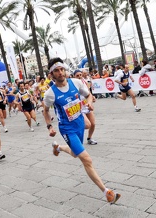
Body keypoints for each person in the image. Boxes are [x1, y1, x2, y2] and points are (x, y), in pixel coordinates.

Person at [43, 57, 121, 204]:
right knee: (86, 159)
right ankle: (107, 193)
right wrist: (49, 126)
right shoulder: (50, 94)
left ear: (64, 70)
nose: (60, 73)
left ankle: (58, 147)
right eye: (56, 71)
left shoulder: (76, 83)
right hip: (67, 129)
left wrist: (90, 103)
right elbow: (46, 111)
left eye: (61, 69)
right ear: (51, 74)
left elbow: (89, 95)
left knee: (74, 153)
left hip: (79, 124)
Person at [74, 70, 98, 145]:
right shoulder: (73, 85)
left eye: (80, 75)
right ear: (74, 77)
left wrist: (92, 97)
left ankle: (89, 138)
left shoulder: (84, 81)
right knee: (87, 125)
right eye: (77, 75)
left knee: (93, 124)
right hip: (79, 107)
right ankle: (73, 130)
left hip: (87, 105)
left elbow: (88, 92)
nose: (79, 76)